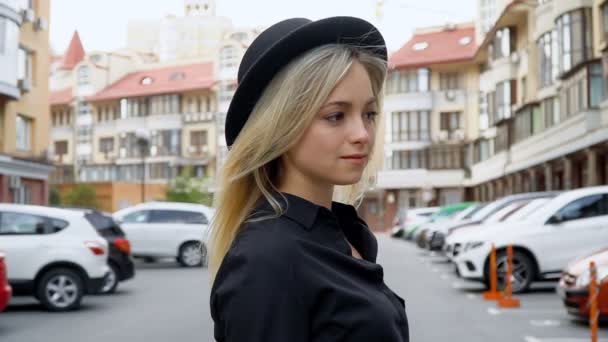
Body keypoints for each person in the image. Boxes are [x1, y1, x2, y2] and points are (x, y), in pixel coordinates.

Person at [209, 16, 409, 342]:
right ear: (281, 125)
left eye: (369, 114)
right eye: (335, 116)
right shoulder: (267, 259)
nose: (362, 134)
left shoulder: (341, 232)